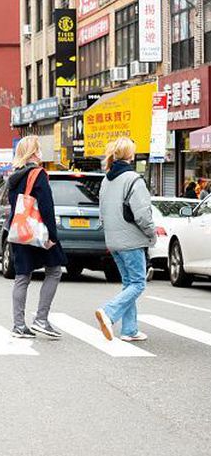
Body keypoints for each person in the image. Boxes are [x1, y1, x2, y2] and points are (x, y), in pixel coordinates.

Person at [95, 137, 156, 342]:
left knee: (128, 283)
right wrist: (151, 234)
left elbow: (102, 212)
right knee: (138, 283)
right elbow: (143, 214)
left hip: (113, 242)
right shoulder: (133, 179)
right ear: (130, 155)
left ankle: (129, 330)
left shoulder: (106, 180)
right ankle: (109, 312)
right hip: (131, 240)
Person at [8, 135, 66, 339]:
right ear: (33, 152)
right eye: (39, 148)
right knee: (55, 270)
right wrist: (52, 234)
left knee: (22, 276)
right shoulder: (38, 173)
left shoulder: (15, 175)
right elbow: (47, 206)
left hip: (19, 231)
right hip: (38, 232)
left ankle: (18, 325)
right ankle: (41, 319)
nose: (41, 152)